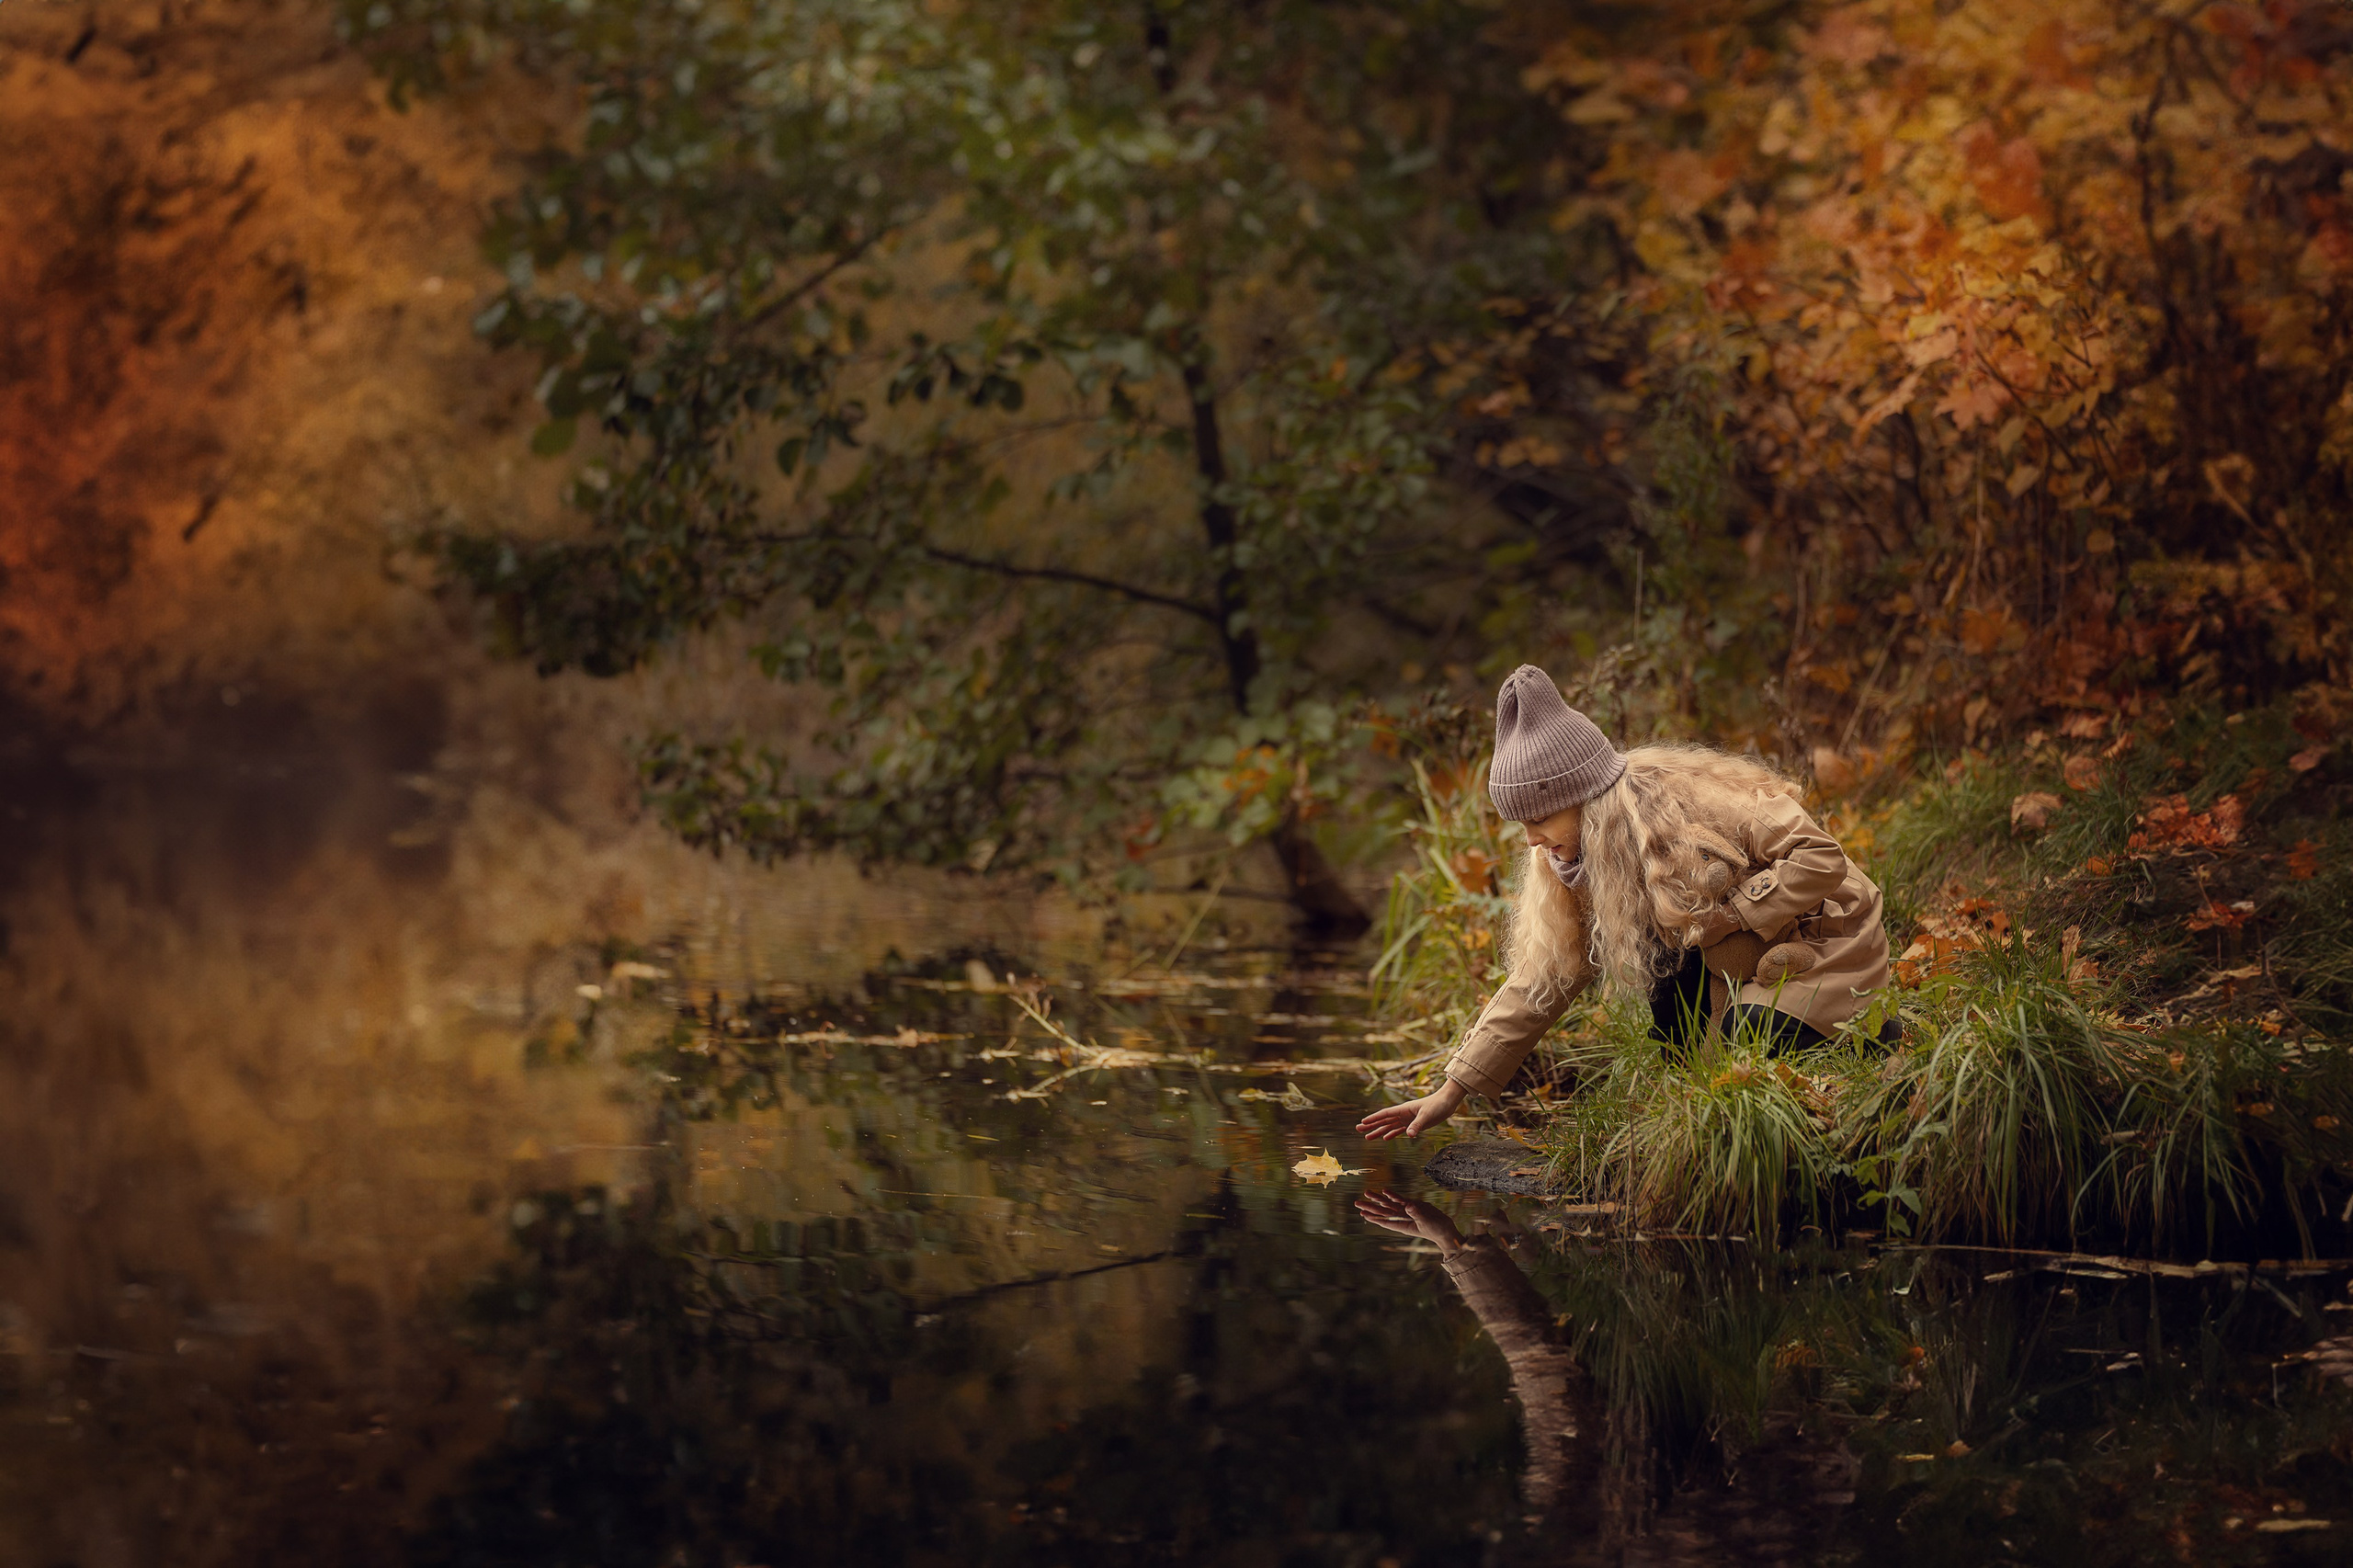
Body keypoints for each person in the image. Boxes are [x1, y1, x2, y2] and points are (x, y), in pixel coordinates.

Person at [1358, 665, 1890, 1141]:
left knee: (1748, 1035)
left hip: (1825, 948)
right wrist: (1452, 1089)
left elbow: (1820, 857)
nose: (1531, 840)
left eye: (1539, 819)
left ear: (1584, 799)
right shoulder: (1571, 861)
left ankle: (1872, 1036)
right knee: (1673, 990)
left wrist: (1735, 915)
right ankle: (1701, 1100)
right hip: (1737, 963)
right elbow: (1545, 977)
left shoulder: (1691, 801)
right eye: (1522, 824)